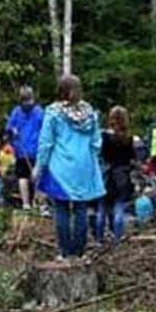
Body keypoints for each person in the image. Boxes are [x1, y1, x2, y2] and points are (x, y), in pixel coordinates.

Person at [35, 74, 105, 260]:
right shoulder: (89, 112)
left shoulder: (53, 112)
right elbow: (97, 142)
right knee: (81, 208)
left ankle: (65, 252)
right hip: (84, 166)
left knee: (61, 208)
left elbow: (46, 143)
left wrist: (39, 166)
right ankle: (80, 251)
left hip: (60, 168)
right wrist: (90, 158)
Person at [95, 106, 136, 244]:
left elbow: (100, 154)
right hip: (122, 176)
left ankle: (99, 239)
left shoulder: (104, 136)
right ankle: (117, 238)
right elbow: (132, 158)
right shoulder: (128, 138)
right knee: (119, 208)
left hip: (105, 176)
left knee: (101, 209)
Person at [6, 86, 45, 210]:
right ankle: (30, 204)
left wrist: (12, 130)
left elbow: (9, 128)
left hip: (33, 150)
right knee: (28, 177)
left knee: (31, 177)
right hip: (24, 150)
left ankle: (33, 204)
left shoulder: (34, 111)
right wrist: (13, 131)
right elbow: (9, 129)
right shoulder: (35, 111)